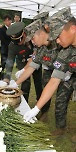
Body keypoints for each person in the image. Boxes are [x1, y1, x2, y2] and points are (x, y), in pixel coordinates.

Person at [23, 8, 76, 141]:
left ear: (73, 29)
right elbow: (54, 81)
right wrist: (36, 109)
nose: (56, 41)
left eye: (58, 36)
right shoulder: (66, 52)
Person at [3, 22, 42, 103]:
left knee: (38, 83)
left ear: (23, 34)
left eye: (19, 41)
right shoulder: (12, 46)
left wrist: (25, 69)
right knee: (25, 83)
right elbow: (10, 61)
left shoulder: (33, 36)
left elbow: (36, 54)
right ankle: (24, 103)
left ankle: (41, 104)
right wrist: (7, 78)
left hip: (36, 60)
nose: (19, 44)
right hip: (23, 61)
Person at [0, 15, 12, 80]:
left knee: (10, 64)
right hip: (4, 49)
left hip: (12, 50)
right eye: (6, 21)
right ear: (4, 22)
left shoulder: (13, 28)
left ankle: (8, 77)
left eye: (9, 20)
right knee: (3, 63)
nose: (8, 22)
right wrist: (10, 44)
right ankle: (1, 76)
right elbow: (3, 40)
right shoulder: (1, 29)